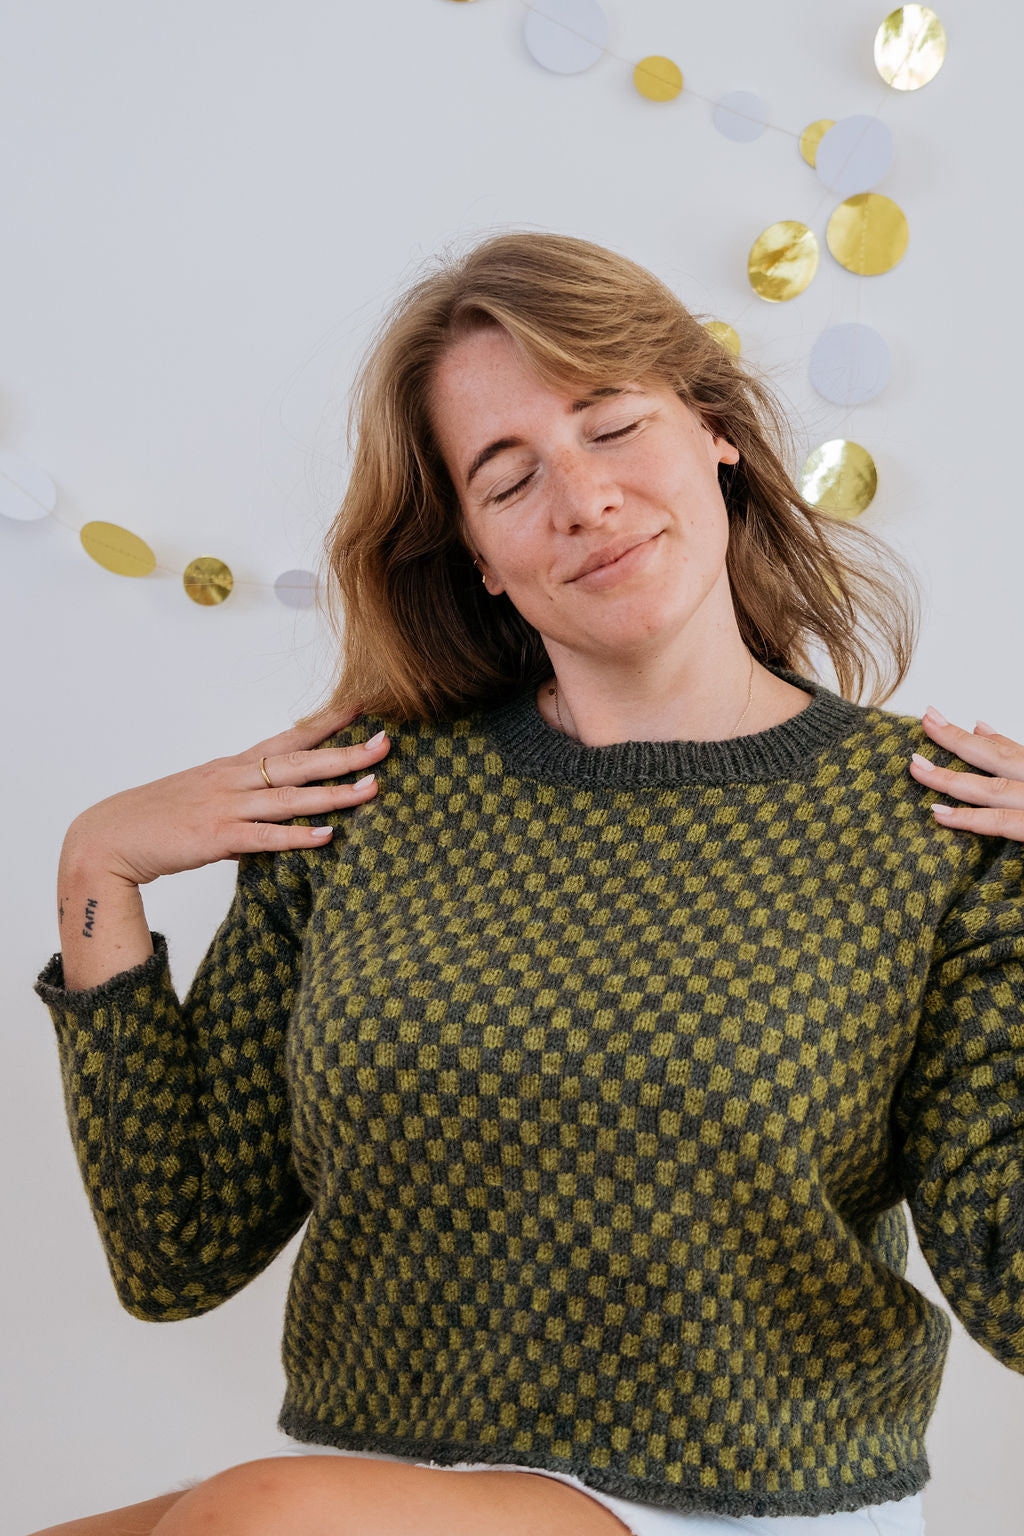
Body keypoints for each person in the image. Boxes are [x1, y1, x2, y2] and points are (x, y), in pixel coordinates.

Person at [30, 231, 1024, 1536]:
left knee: (256, 1515)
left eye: (613, 428)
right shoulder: (360, 798)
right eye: (509, 480)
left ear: (714, 430)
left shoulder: (941, 827)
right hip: (382, 1495)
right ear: (477, 556)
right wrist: (96, 870)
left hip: (748, 1507)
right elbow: (179, 1250)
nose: (584, 500)